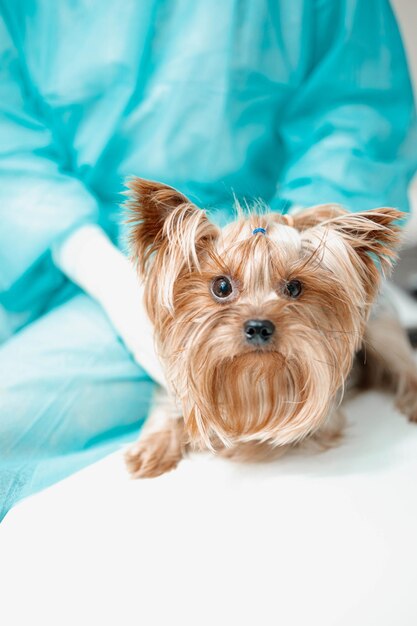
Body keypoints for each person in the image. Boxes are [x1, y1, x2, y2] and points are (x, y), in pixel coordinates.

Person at [0, 0, 415, 519]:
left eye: (288, 290)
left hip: (281, 217)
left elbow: (358, 113)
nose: (258, 317)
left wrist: (299, 251)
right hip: (45, 250)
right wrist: (96, 264)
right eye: (227, 291)